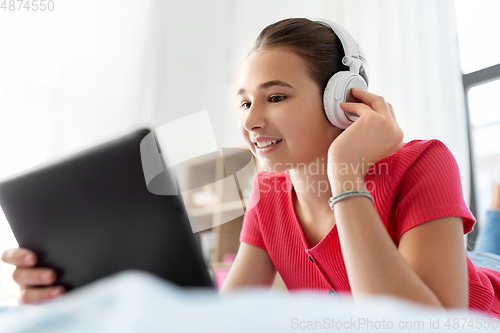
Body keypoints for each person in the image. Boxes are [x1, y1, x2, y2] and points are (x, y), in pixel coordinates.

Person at [2, 18, 500, 318]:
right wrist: (81, 300)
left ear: (341, 100)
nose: (253, 121)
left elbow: (424, 324)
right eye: (244, 104)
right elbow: (224, 317)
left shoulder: (424, 162)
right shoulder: (269, 193)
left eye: (276, 96)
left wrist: (345, 174)